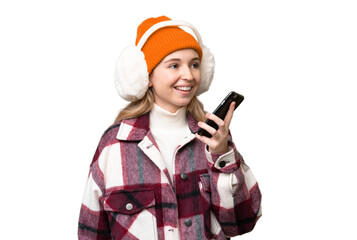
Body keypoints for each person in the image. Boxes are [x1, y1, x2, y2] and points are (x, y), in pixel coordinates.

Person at [78, 16, 262, 240]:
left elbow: (242, 222)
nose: (189, 75)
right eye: (174, 65)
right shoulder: (114, 144)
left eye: (194, 64)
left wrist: (221, 154)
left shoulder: (214, 136)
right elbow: (91, 234)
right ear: (146, 76)